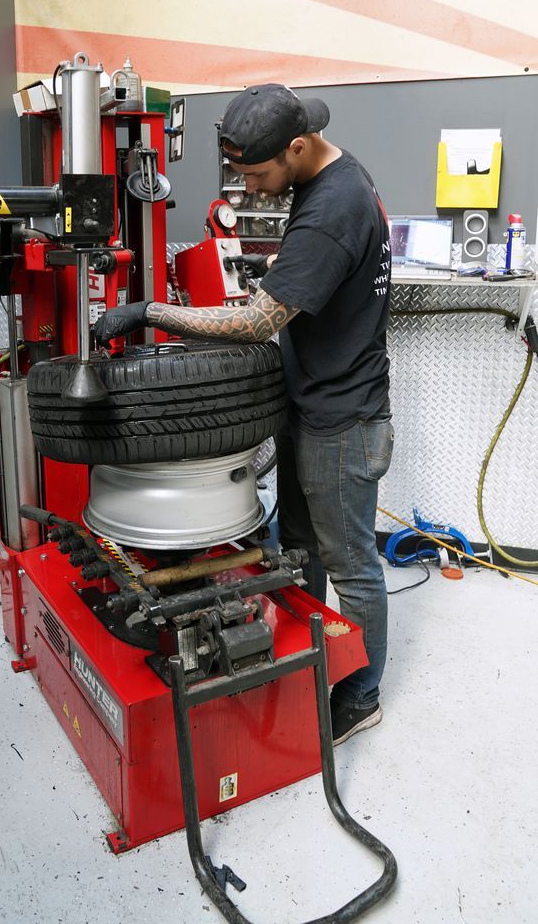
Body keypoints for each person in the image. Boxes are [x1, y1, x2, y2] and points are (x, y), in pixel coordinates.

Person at [93, 83, 393, 745]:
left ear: (297, 146)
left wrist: (147, 312)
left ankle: (361, 693)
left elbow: (259, 323)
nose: (250, 187)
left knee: (352, 565)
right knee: (298, 548)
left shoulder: (331, 209)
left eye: (257, 174)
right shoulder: (324, 162)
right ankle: (311, 658)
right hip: (314, 404)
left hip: (342, 421)